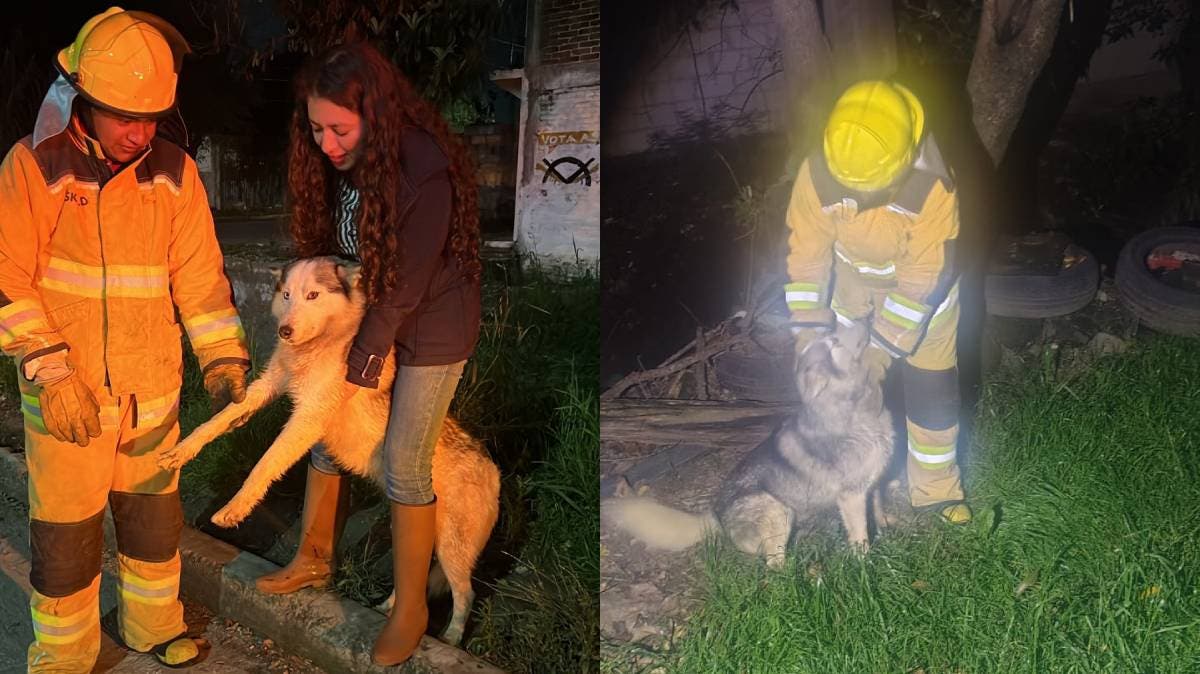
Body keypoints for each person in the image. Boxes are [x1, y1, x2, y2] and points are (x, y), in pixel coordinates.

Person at [0, 7, 250, 671]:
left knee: (152, 528)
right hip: (67, 398)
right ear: (85, 100)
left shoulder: (176, 174)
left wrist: (223, 357)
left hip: (151, 392)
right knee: (66, 540)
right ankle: (63, 654)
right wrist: (51, 375)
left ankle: (151, 624)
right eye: (124, 116)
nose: (140, 133)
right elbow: (7, 280)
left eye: (152, 117)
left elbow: (199, 279)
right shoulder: (34, 167)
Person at [254, 42, 482, 666]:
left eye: (339, 128)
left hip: (431, 332)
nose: (326, 144)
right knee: (329, 434)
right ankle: (312, 560)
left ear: (376, 116)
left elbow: (407, 283)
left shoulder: (422, 165)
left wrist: (362, 358)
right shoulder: (343, 167)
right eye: (316, 127)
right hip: (375, 321)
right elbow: (342, 263)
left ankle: (412, 607)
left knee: (406, 460)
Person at [784, 79, 972, 525]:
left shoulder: (935, 191)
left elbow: (922, 281)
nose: (857, 200)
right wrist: (807, 334)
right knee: (850, 401)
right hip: (853, 295)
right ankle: (855, 486)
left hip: (925, 308)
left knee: (934, 399)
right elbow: (805, 258)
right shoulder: (816, 174)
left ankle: (936, 493)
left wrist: (880, 352)